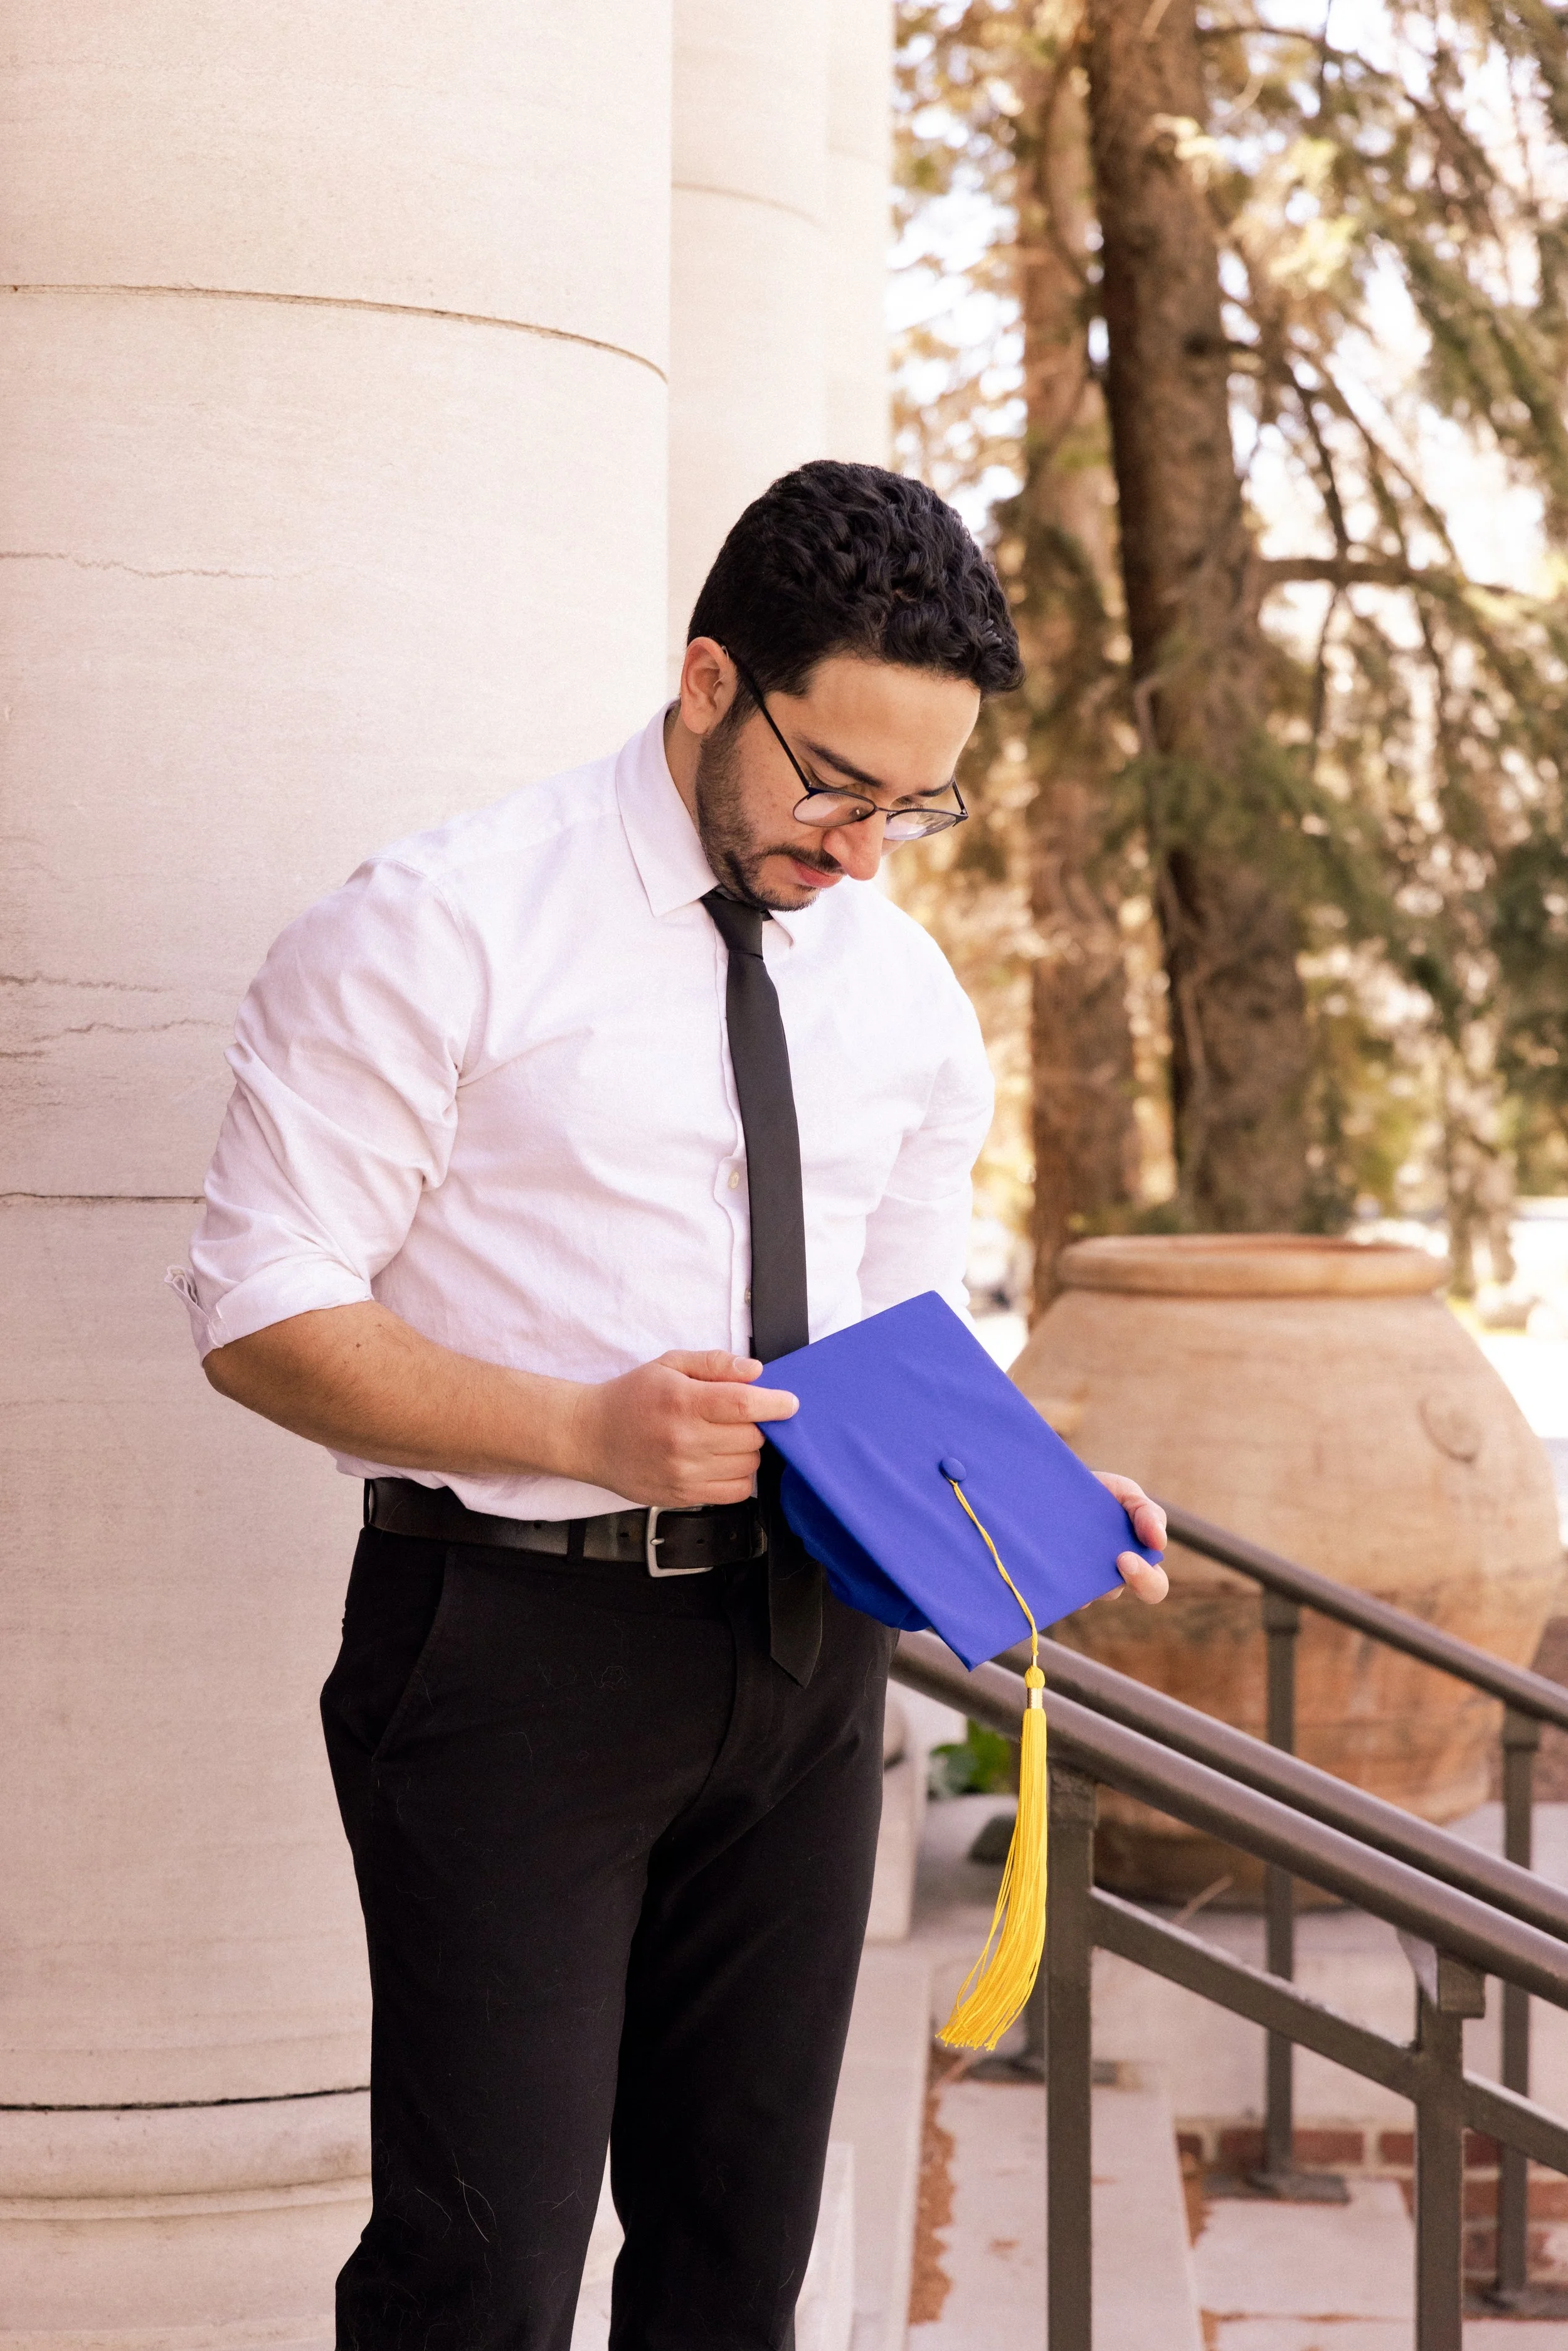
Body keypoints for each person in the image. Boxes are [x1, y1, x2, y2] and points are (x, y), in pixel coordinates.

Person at [181, 460, 1168, 2350]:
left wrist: (1021, 1492)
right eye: (836, 784)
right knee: (482, 2273)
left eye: (919, 805)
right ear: (710, 678)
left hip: (807, 1665)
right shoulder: (437, 925)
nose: (868, 848)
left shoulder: (902, 992)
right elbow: (257, 1307)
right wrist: (583, 1429)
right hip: (507, 1659)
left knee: (733, 2266)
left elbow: (889, 1334)